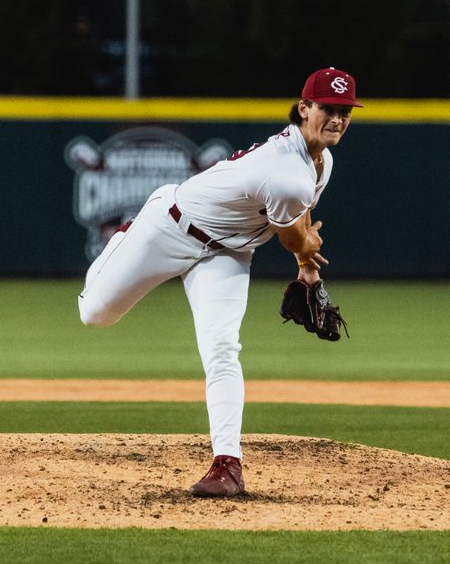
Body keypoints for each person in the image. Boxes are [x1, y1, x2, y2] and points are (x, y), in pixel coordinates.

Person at [77, 67, 359, 497]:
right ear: (304, 108)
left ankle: (228, 464)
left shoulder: (321, 162)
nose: (337, 119)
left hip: (226, 253)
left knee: (223, 347)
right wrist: (306, 249)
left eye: (345, 111)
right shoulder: (285, 169)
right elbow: (292, 236)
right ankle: (123, 238)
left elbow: (301, 215)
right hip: (169, 227)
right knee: (95, 314)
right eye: (328, 108)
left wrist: (308, 267)